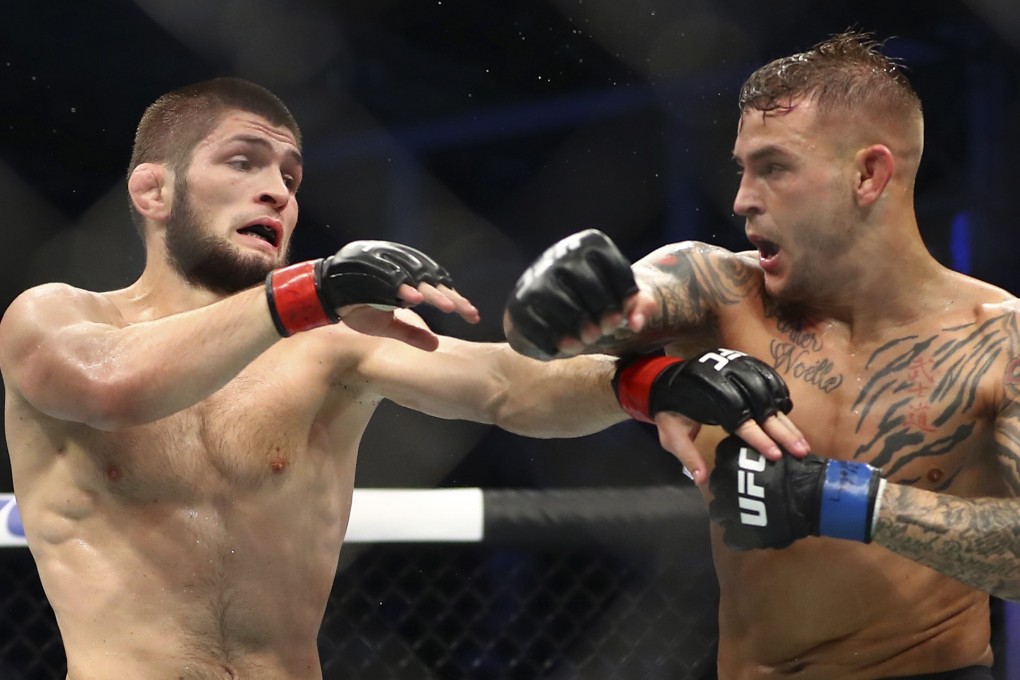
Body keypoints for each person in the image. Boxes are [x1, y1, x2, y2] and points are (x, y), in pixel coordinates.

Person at [0, 77, 803, 679]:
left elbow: (504, 385)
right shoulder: (59, 316)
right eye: (243, 161)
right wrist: (309, 289)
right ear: (151, 189)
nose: (276, 188)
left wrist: (650, 385)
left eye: (290, 174)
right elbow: (109, 386)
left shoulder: (325, 348)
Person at [504, 31, 1017, 679]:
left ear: (868, 173)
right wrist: (579, 306)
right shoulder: (720, 290)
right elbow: (626, 309)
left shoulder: (1000, 340)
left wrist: (840, 500)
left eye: (774, 167)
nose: (743, 197)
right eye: (742, 168)